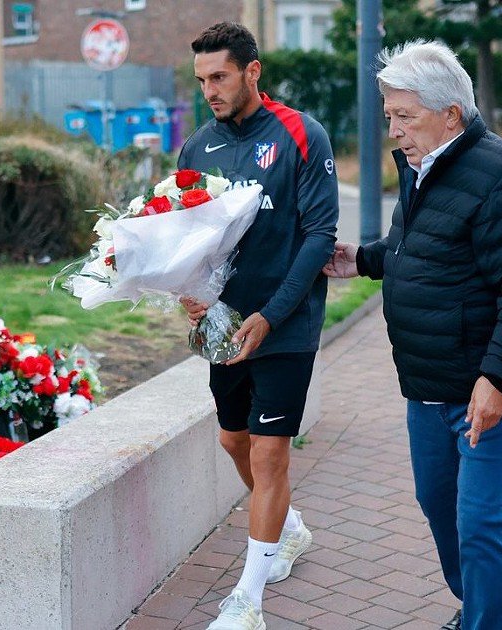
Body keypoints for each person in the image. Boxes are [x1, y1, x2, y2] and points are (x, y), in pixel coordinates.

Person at [323, 40, 502, 630]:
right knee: (438, 506)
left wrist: (496, 379)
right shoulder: (424, 166)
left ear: (450, 114)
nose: (393, 130)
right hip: (426, 385)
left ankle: (483, 622)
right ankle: (473, 603)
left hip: (482, 390)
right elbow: (423, 249)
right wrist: (366, 259)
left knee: (480, 522)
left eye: (405, 116)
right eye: (391, 116)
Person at [177, 22, 339, 629]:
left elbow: (319, 233)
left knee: (270, 456)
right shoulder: (196, 147)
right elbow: (187, 236)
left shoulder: (302, 133)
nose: (210, 91)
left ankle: (248, 601)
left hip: (286, 322)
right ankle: (290, 531)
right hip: (224, 325)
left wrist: (272, 316)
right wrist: (189, 295)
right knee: (232, 440)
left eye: (219, 77)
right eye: (201, 81)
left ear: (253, 71)